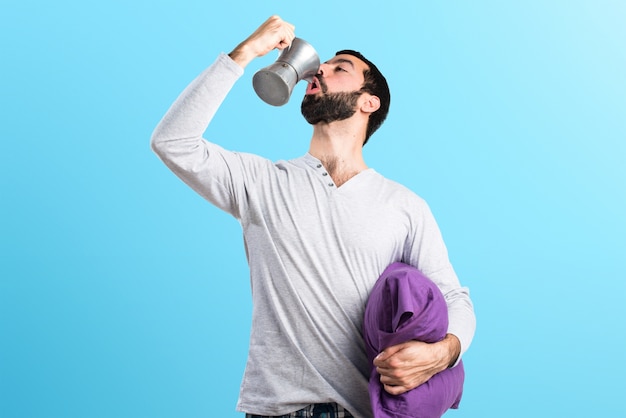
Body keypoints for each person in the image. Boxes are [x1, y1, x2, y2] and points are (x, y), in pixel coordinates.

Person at [151, 15, 475, 418]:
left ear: (367, 103)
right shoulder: (262, 182)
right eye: (320, 67)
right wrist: (246, 53)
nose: (318, 69)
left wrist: (444, 352)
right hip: (272, 410)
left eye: (340, 68)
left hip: (360, 410)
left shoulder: (403, 205)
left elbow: (453, 297)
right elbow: (172, 141)